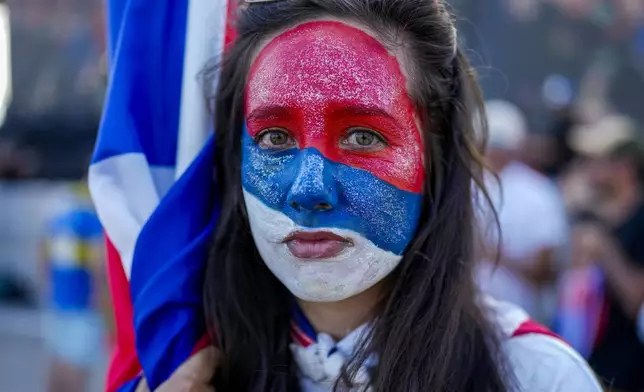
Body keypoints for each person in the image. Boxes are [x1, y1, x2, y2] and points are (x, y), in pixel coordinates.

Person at [137, 0, 601, 391]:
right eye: (276, 138)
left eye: (362, 136)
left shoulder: (537, 377)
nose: (308, 190)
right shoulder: (185, 373)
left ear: (433, 152)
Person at [568, 115, 644, 391]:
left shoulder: (640, 220)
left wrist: (605, 249)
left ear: (624, 167)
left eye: (594, 160)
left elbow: (637, 301)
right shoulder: (588, 215)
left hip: (630, 372)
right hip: (590, 364)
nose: (585, 168)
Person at [476, 99, 569, 323]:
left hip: (519, 322)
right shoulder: (461, 185)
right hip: (460, 318)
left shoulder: (539, 191)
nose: (495, 152)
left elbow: (545, 271)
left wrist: (493, 253)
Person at [40, 181, 107, 392]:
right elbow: (99, 265)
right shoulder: (92, 220)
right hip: (83, 305)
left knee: (58, 361)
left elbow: (42, 254)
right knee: (77, 367)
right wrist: (102, 301)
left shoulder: (59, 217)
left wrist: (48, 287)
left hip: (59, 301)